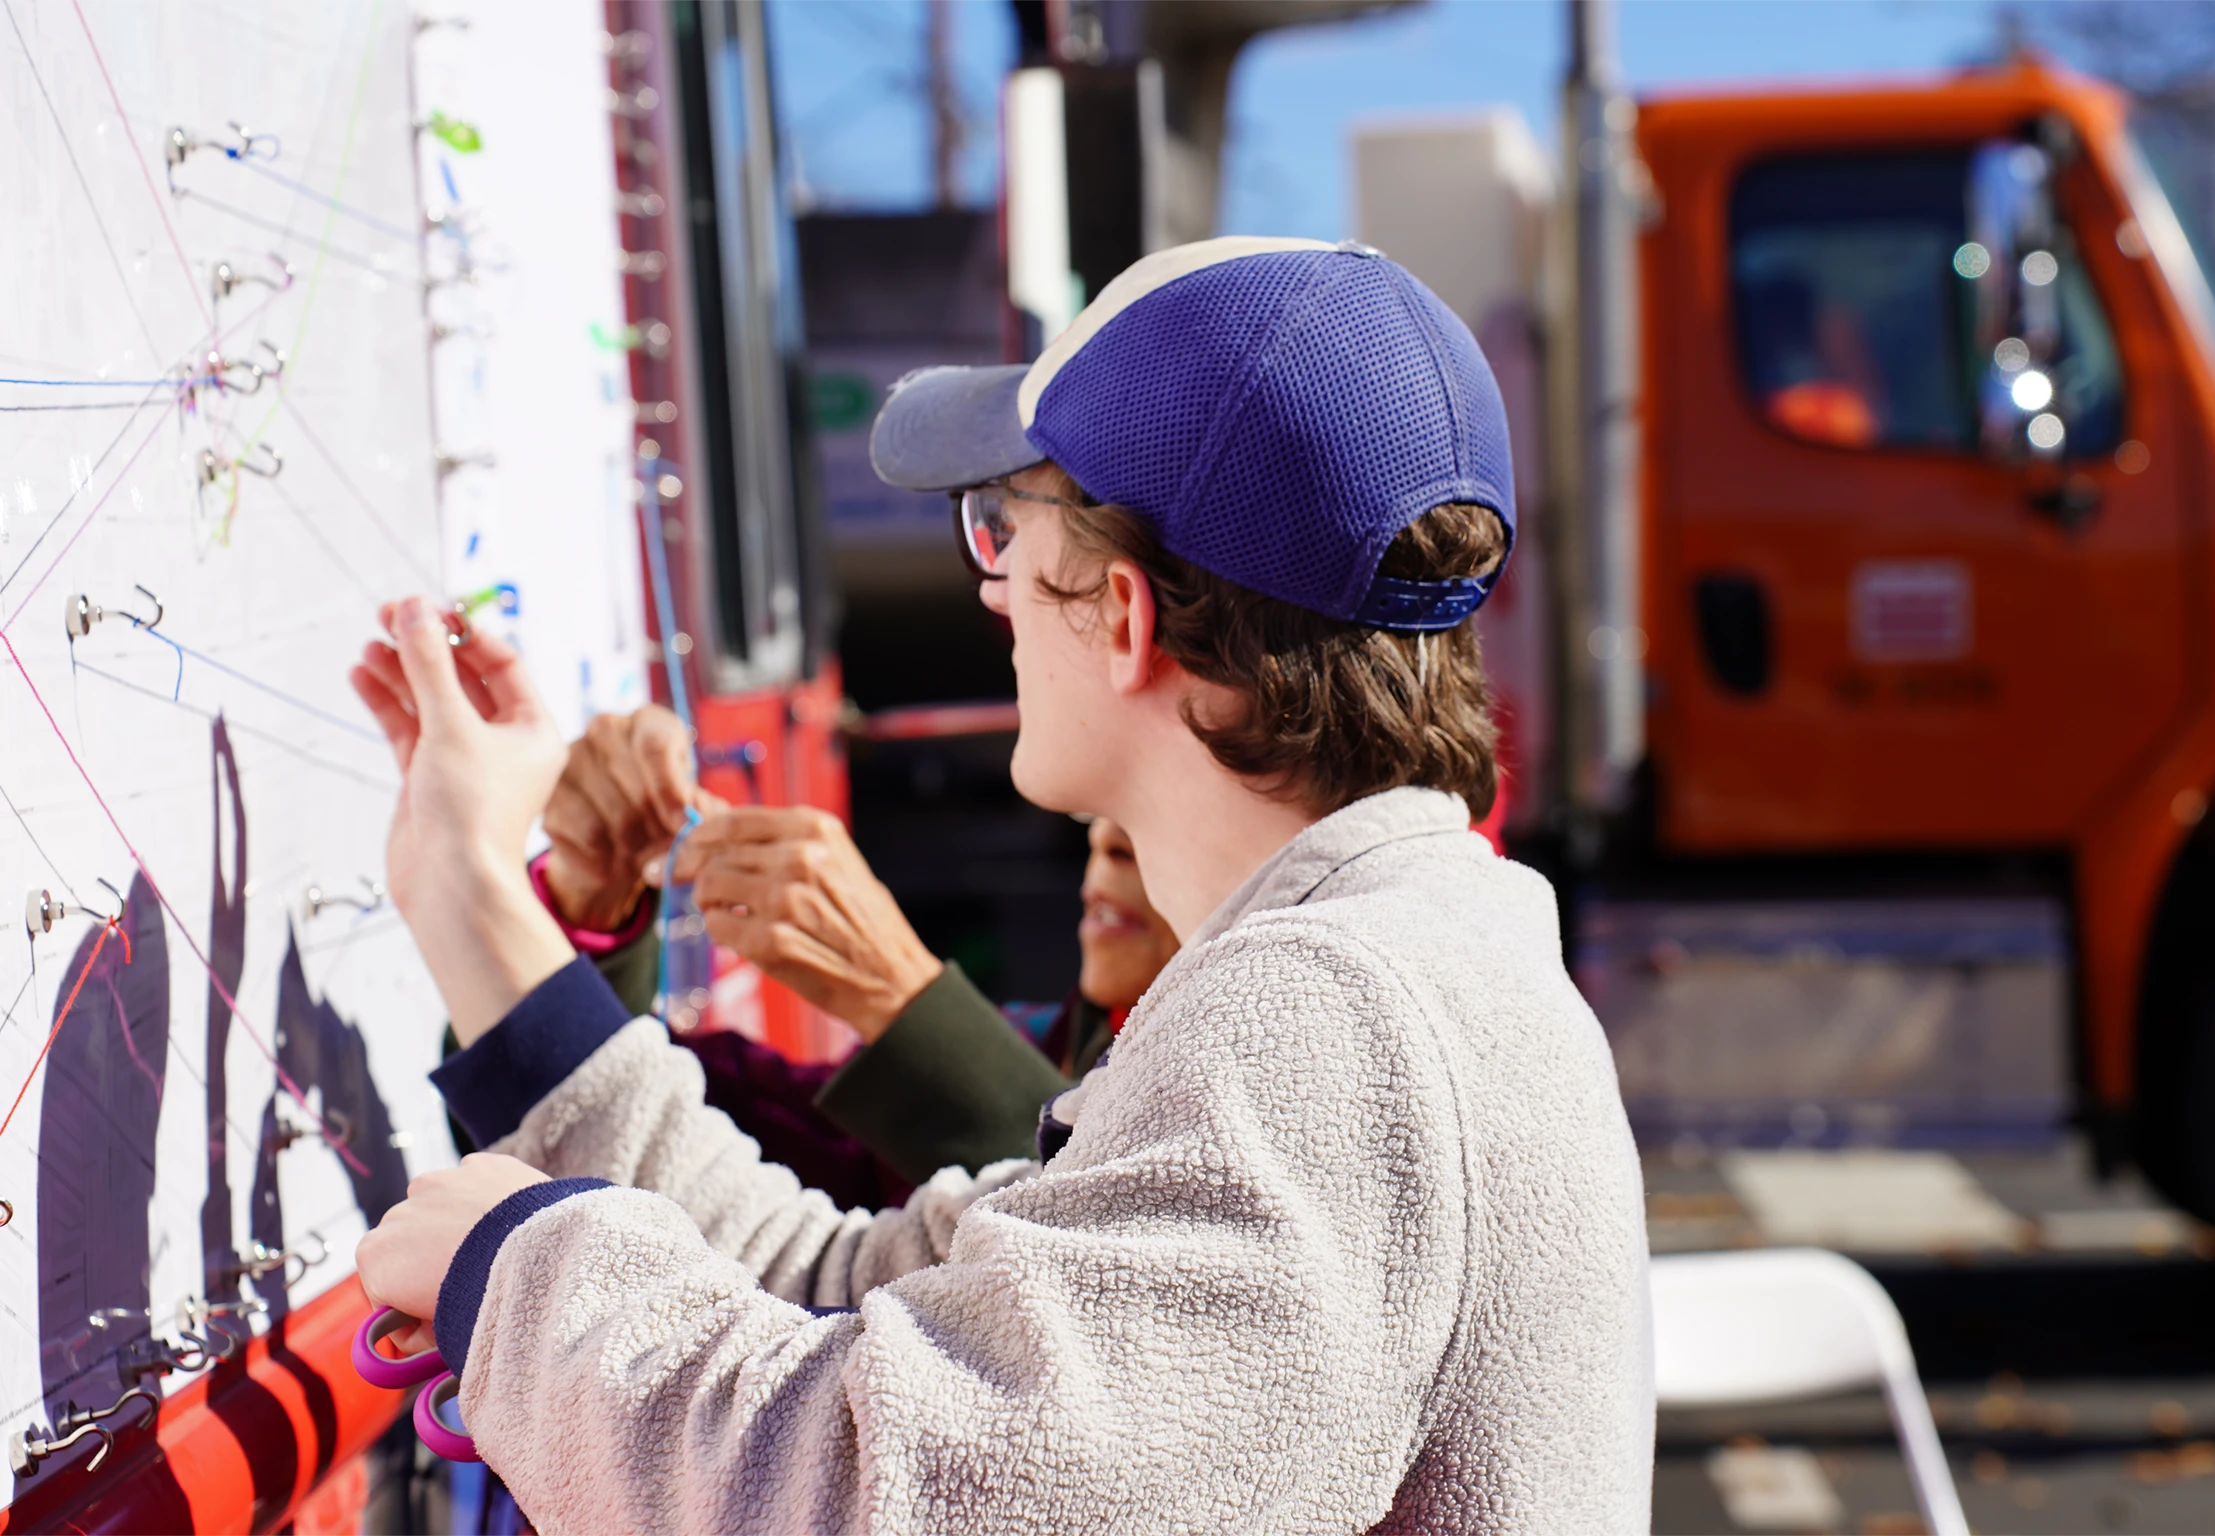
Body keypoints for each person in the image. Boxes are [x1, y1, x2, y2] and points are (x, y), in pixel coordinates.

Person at [350, 236, 1651, 1533]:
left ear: (1125, 616)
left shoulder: (1332, 1018)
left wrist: (519, 1270)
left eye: (1003, 526)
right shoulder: (1404, 962)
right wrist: (466, 891)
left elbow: (880, 1493)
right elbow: (845, 1292)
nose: (992, 591)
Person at [526, 715, 1176, 1198]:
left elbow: (1096, 1265)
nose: (1107, 836)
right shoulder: (1042, 1040)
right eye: (1109, 806)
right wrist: (591, 906)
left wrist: (900, 998)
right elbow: (614, 1122)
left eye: (1171, 797)